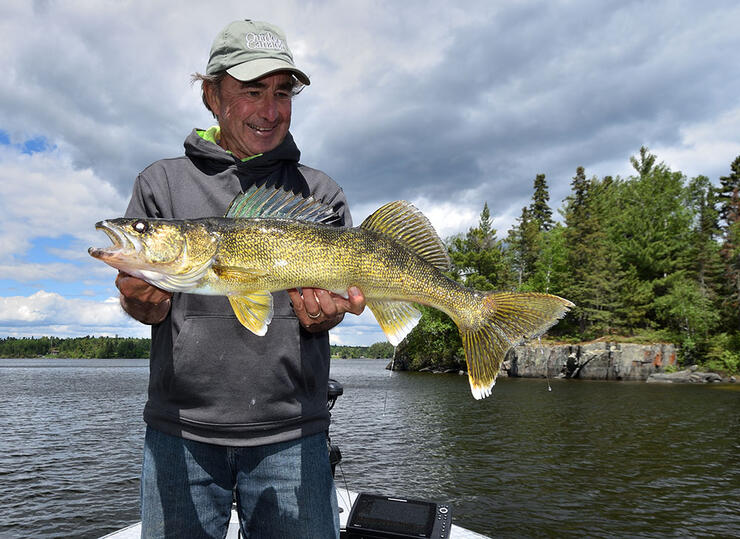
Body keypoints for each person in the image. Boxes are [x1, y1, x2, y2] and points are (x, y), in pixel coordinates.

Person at [115, 19, 366, 538]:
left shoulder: (319, 193)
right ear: (212, 95)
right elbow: (146, 306)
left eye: (281, 92)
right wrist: (142, 301)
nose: (270, 110)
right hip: (179, 433)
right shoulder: (160, 183)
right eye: (252, 91)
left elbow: (324, 314)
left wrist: (323, 316)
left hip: (293, 434)